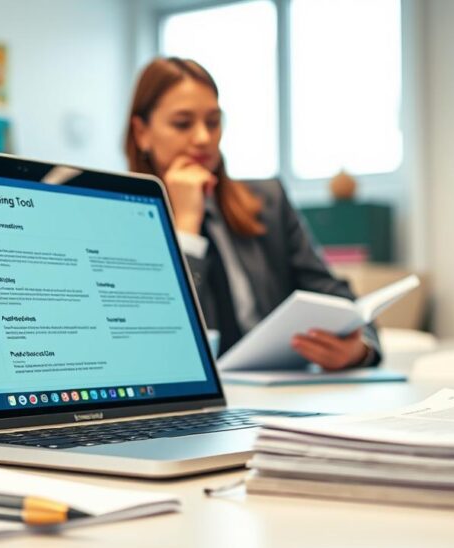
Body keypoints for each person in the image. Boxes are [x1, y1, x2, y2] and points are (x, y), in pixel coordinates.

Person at [124, 57, 381, 370]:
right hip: (198, 402)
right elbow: (159, 344)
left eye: (213, 122)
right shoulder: (120, 221)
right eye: (182, 123)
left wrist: (360, 350)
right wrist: (187, 228)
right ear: (142, 133)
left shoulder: (267, 201)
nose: (204, 138)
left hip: (282, 388)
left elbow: (342, 301)